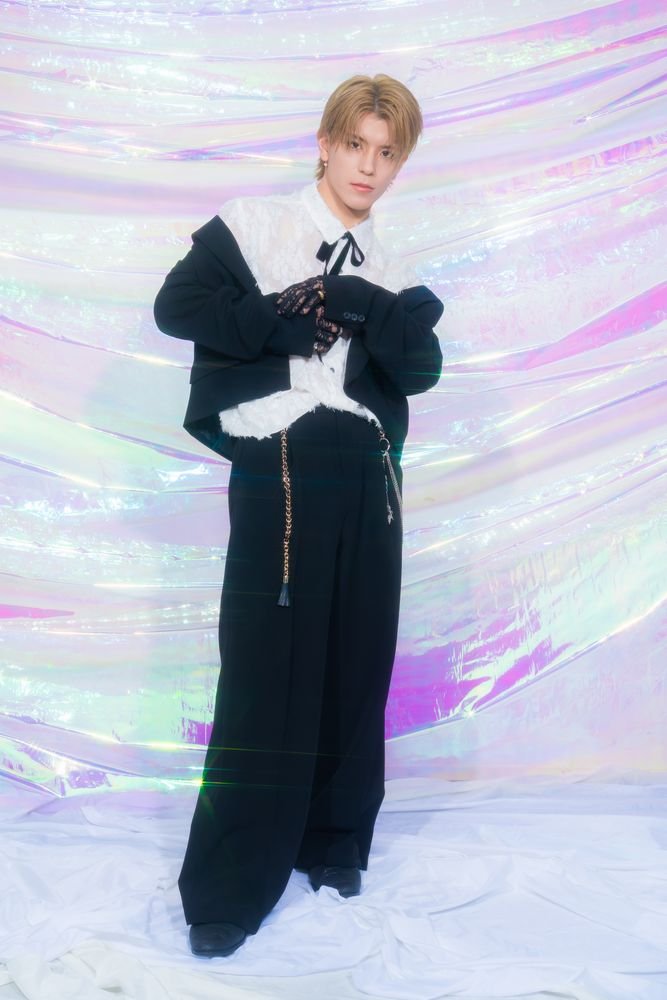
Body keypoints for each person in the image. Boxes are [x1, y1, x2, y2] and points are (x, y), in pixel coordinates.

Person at [153, 73, 444, 959]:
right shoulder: (255, 225)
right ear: (324, 144)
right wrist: (278, 321)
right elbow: (175, 307)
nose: (368, 166)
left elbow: (419, 367)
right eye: (354, 145)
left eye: (385, 153)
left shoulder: (392, 265)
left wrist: (359, 303)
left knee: (356, 659)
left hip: (367, 471)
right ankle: (230, 884)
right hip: (281, 459)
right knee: (267, 665)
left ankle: (333, 840)